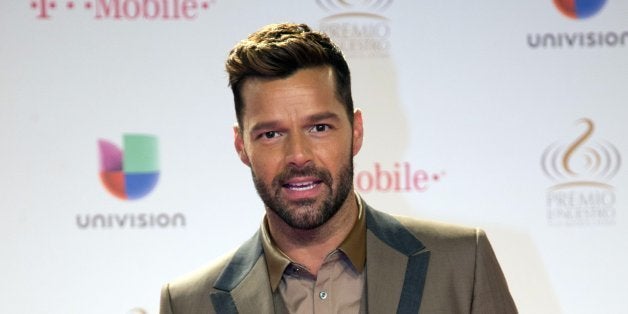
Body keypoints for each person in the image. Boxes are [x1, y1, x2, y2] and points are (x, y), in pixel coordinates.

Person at [160, 22, 517, 314]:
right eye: (271, 134)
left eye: (319, 127)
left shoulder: (461, 262)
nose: (298, 155)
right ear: (242, 146)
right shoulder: (189, 304)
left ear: (356, 131)